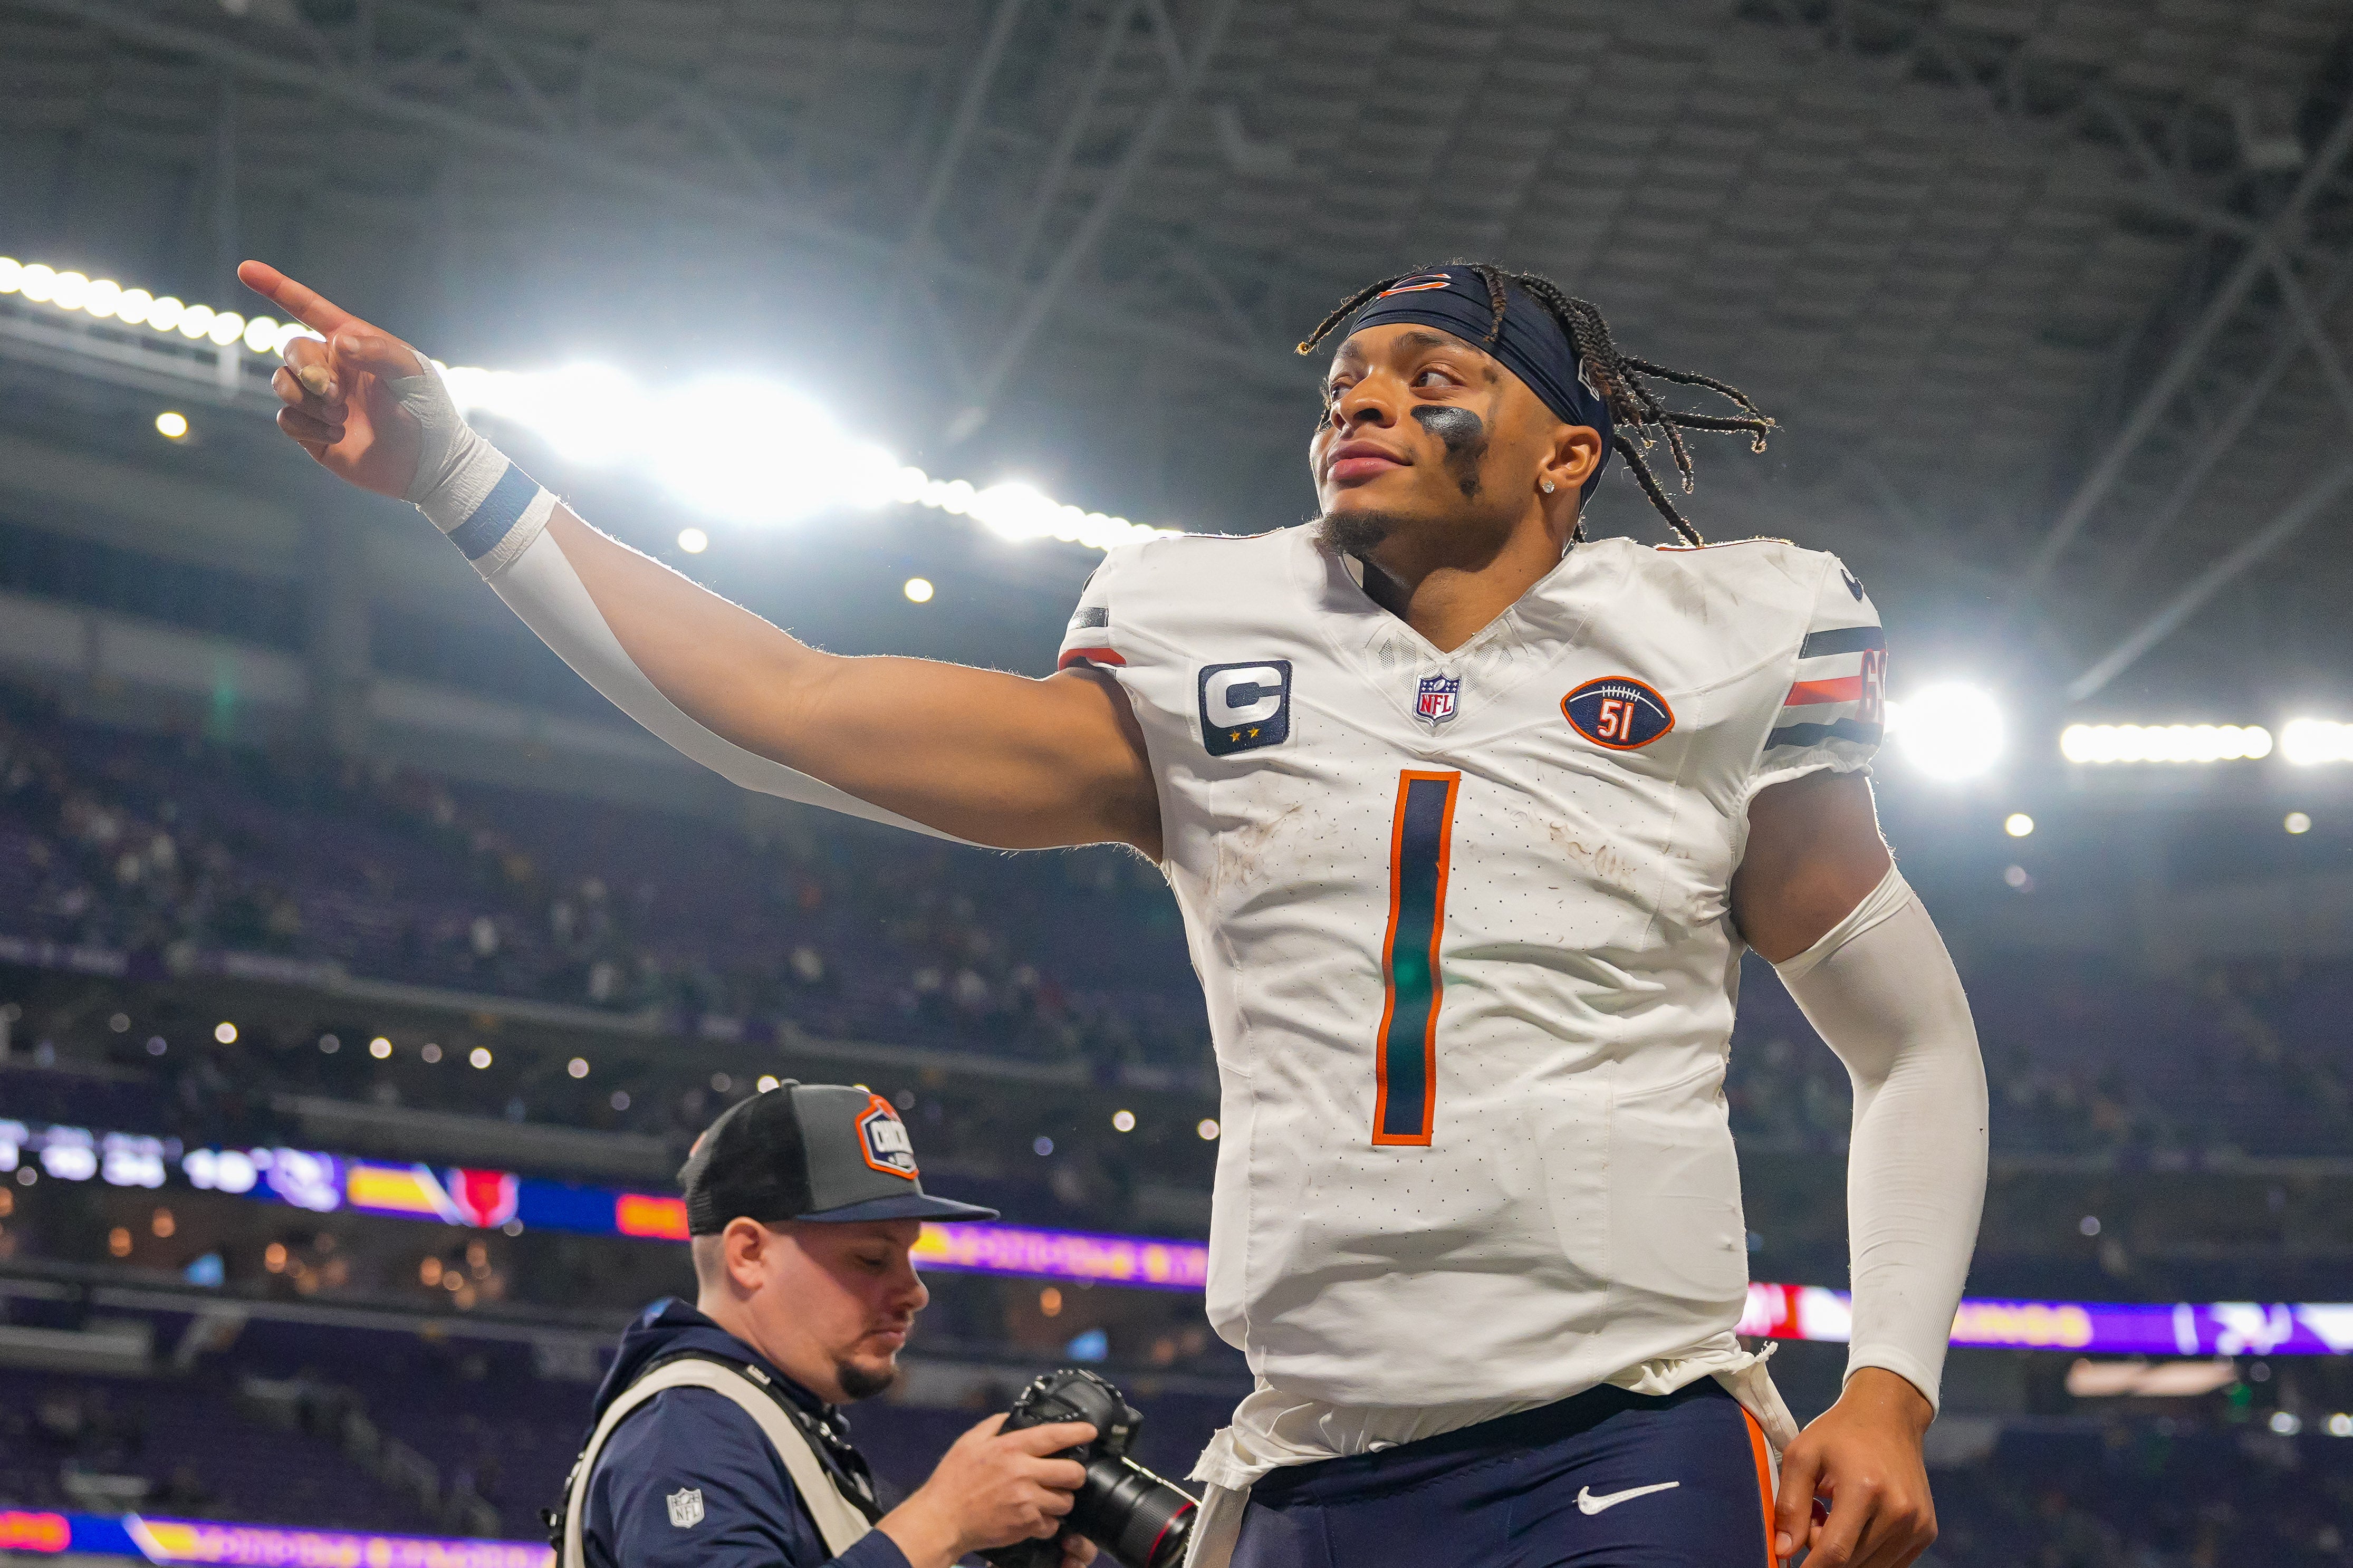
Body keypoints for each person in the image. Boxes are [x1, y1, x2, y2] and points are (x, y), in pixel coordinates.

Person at [242, 256, 1988, 1568]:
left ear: (1566, 457)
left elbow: (1910, 1044)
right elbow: (799, 706)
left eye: (1431, 374)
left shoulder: (1717, 644)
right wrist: (464, 487)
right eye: (1349, 375)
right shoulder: (1206, 645)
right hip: (1315, 1468)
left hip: (1621, 1433)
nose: (1362, 399)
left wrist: (1891, 1382)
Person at [558, 1081, 1100, 1568]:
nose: (916, 1291)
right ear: (749, 1254)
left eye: (910, 1257)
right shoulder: (688, 1429)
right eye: (871, 1259)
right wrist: (943, 1521)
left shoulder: (770, 1422)